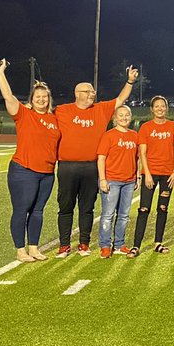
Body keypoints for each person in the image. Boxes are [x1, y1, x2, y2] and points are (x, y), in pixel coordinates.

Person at [54, 67, 138, 257]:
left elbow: (120, 99)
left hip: (91, 166)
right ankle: (64, 245)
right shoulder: (62, 110)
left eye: (93, 91)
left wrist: (130, 81)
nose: (92, 94)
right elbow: (41, 112)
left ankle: (84, 243)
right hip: (67, 166)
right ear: (77, 93)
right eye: (88, 91)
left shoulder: (100, 109)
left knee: (87, 207)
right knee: (65, 207)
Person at [0, 59, 58, 263]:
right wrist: (0, 72)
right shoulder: (23, 114)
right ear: (31, 99)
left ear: (49, 99)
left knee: (38, 211)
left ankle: (34, 248)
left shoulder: (54, 119)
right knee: (22, 209)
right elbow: (8, 95)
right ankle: (20, 250)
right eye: (37, 97)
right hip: (24, 170)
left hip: (47, 173)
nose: (41, 100)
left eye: (44, 97)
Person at [131, 95, 174, 256]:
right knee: (144, 209)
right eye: (157, 106)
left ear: (166, 108)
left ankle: (158, 242)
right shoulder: (146, 127)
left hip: (167, 175)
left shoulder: (173, 126)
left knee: (162, 208)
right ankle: (136, 245)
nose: (160, 109)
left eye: (162, 106)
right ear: (152, 109)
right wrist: (147, 174)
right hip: (150, 173)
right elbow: (142, 153)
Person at [96, 105, 139, 258]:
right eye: (121, 115)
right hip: (112, 180)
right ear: (115, 118)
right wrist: (102, 179)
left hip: (129, 181)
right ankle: (105, 245)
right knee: (108, 215)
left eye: (127, 115)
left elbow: (137, 158)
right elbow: (101, 158)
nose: (124, 117)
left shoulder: (134, 135)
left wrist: (137, 177)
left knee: (124, 215)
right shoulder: (109, 135)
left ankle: (119, 244)